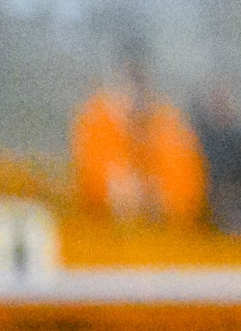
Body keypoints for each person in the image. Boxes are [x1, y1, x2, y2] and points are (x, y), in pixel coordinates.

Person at [69, 42, 206, 225]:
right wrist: (116, 188)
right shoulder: (99, 118)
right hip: (105, 228)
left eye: (141, 81)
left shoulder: (167, 124)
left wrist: (160, 197)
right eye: (129, 80)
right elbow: (89, 175)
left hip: (161, 231)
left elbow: (187, 184)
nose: (135, 93)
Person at [191, 81, 241, 237]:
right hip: (210, 203)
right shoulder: (199, 138)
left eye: (225, 102)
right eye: (217, 102)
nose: (221, 108)